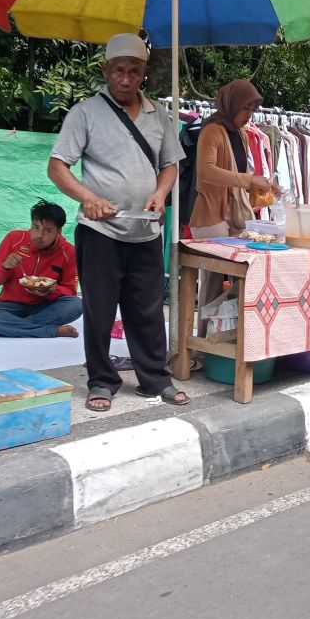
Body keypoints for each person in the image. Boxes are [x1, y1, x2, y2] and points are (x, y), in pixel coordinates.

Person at [48, 33, 189, 412]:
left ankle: (154, 378)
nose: (126, 79)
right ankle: (102, 380)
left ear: (144, 74)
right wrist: (88, 198)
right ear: (105, 70)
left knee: (146, 308)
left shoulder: (159, 114)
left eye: (134, 72)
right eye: (119, 71)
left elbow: (171, 164)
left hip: (146, 229)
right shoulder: (85, 113)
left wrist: (161, 194)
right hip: (100, 232)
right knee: (100, 308)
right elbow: (57, 166)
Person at [190, 79, 278, 327]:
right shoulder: (212, 130)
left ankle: (228, 336)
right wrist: (249, 179)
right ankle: (204, 342)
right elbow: (206, 172)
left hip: (235, 215)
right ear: (232, 104)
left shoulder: (241, 134)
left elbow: (239, 174)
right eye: (245, 108)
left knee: (243, 276)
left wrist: (265, 185)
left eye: (252, 109)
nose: (249, 115)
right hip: (211, 216)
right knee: (212, 280)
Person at [0, 200, 82, 338]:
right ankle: (51, 330)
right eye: (35, 227)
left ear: (58, 232)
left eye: (47, 231)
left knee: (76, 305)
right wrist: (5, 266)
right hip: (10, 307)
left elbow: (70, 291)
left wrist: (51, 290)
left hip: (46, 306)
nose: (39, 235)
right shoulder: (14, 239)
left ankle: (7, 328)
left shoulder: (69, 252)